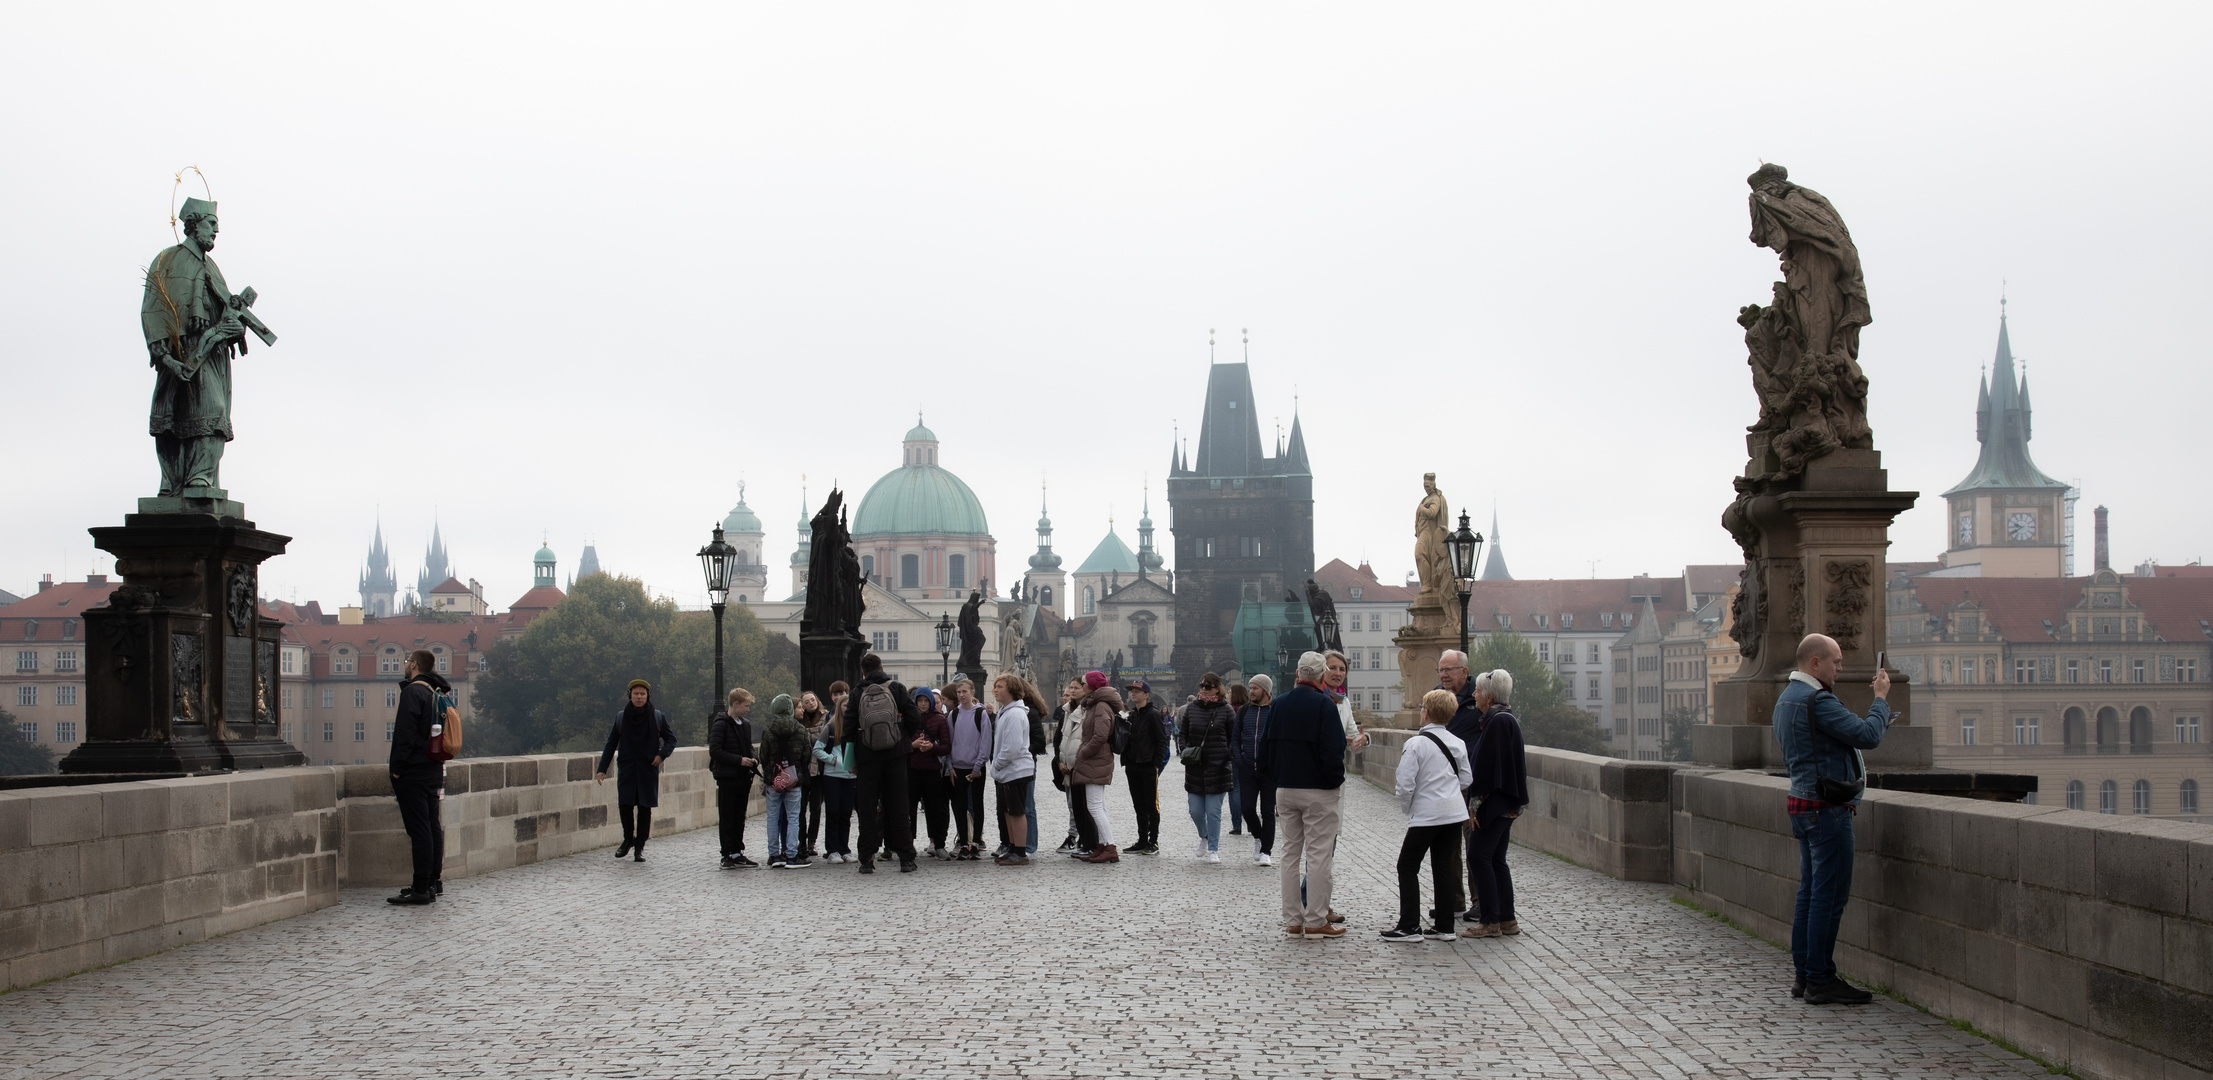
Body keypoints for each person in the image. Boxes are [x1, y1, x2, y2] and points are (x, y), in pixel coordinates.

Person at [1776, 632, 1890, 1006]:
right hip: (1827, 812)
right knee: (1829, 897)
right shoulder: (1816, 700)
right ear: (1815, 663)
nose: (1841, 667)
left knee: (1810, 894)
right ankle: (1821, 980)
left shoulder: (1786, 699)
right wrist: (1880, 700)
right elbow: (1868, 735)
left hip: (1802, 804)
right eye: (1836, 661)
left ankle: (1803, 976)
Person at [1258, 653, 1345, 938]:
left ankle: (1293, 920)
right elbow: (1333, 751)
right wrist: (1334, 782)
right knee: (1319, 855)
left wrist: (1277, 778)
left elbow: (1264, 748)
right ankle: (1317, 920)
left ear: (1297, 673)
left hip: (1285, 789)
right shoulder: (1324, 705)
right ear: (1321, 677)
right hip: (1318, 789)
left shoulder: (1279, 703)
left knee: (1289, 854)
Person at [1382, 689, 1475, 942]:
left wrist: (1408, 807)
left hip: (1426, 815)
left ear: (1426, 712)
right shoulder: (1458, 743)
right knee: (1443, 866)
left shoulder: (1416, 744)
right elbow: (1466, 778)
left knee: (1407, 866)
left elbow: (1405, 784)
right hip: (1454, 813)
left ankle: (1410, 925)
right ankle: (1445, 926)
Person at [841, 654, 925, 874]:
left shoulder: (857, 692)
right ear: (882, 667)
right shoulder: (896, 688)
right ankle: (906, 858)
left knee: (867, 810)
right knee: (899, 807)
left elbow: (847, 729)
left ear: (863, 671)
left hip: (867, 758)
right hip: (895, 756)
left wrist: (851, 760)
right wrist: (901, 737)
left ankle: (867, 860)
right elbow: (915, 717)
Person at [1462, 670, 1528, 940]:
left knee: (1478, 857)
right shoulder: (1505, 718)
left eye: (1477, 691)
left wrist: (1474, 805)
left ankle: (1490, 921)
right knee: (1497, 860)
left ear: (1488, 696)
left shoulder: (1497, 722)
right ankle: (1507, 919)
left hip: (1493, 804)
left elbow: (1488, 770)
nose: (1474, 695)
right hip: (1505, 803)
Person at [385, 649, 450, 905]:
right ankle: (433, 882)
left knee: (420, 830)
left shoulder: (413, 692)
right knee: (432, 827)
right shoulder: (436, 692)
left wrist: (397, 768)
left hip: (413, 769)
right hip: (433, 767)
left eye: (406, 662)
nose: (405, 665)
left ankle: (421, 888)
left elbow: (405, 734)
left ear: (413, 664)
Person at [596, 679, 677, 862]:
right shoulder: (621, 717)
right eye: (636, 694)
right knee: (625, 805)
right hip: (627, 767)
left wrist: (661, 755)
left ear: (647, 696)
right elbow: (611, 745)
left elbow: (671, 740)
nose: (639, 697)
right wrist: (602, 769)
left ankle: (639, 846)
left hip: (648, 768)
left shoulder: (657, 717)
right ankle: (627, 839)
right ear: (630, 696)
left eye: (642, 694)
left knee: (644, 808)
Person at [1435, 650, 1483, 920]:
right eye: (1441, 670)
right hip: (1443, 785)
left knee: (1473, 845)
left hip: (1471, 784)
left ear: (1464, 671)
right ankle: (1453, 900)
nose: (1444, 675)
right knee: (1448, 847)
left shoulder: (1479, 697)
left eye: (1449, 670)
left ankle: (1479, 901)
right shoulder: (1436, 696)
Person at [1176, 672, 1235, 862]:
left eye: (1207, 686)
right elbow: (1182, 732)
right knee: (1195, 811)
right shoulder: (1192, 709)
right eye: (1202, 685)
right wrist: (1185, 749)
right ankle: (1205, 836)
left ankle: (1213, 849)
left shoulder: (1226, 710)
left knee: (1213, 811)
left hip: (1218, 767)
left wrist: (1227, 755)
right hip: (1195, 766)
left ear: (1218, 688)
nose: (1203, 688)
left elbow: (1233, 737)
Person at [989, 674, 1044, 866]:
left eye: (1000, 686)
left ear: (1011, 690)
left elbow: (1011, 748)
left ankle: (1020, 852)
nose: (995, 690)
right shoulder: (1007, 711)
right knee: (1008, 811)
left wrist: (996, 765)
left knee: (1017, 811)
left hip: (1015, 770)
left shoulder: (1015, 714)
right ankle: (1012, 847)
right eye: (995, 686)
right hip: (1008, 771)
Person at [1070, 670, 1122, 863]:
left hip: (1095, 761)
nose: (1082, 686)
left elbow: (1100, 736)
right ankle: (1103, 844)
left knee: (1094, 807)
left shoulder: (1100, 706)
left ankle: (1109, 846)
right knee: (1098, 806)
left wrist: (1083, 753)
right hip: (1095, 760)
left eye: (1083, 683)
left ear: (1092, 686)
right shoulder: (1096, 704)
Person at [707, 687, 761, 869]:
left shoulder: (745, 724)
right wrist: (739, 760)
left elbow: (749, 747)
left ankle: (737, 851)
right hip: (727, 777)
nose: (747, 709)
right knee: (727, 816)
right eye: (745, 705)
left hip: (743, 778)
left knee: (739, 816)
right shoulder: (721, 724)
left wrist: (754, 757)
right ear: (735, 704)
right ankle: (727, 853)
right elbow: (715, 751)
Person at [759, 694, 814, 868]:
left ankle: (774, 855)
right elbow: (806, 754)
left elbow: (763, 756)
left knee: (773, 818)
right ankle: (791, 855)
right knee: (793, 817)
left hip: (773, 780)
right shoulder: (799, 729)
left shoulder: (768, 730)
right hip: (793, 779)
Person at [943, 675, 994, 859]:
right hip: (957, 766)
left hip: (975, 767)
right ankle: (963, 842)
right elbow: (949, 741)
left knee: (977, 804)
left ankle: (975, 842)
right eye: (959, 692)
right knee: (959, 806)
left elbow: (985, 742)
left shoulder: (980, 714)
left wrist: (978, 765)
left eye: (965, 691)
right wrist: (950, 766)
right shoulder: (954, 715)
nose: (962, 695)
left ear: (972, 692)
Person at [1230, 675, 1276, 866]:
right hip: (1247, 768)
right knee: (1247, 809)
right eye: (1250, 688)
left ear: (1265, 690)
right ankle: (1258, 836)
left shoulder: (1275, 710)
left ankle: (1266, 851)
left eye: (1255, 688)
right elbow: (1235, 739)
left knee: (1268, 811)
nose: (1252, 692)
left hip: (1269, 770)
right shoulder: (1244, 711)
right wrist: (1240, 761)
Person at [813, 681, 858, 864]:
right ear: (840, 707)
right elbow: (817, 749)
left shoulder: (856, 728)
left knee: (846, 813)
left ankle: (844, 848)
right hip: (833, 776)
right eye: (845, 705)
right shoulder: (831, 728)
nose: (848, 708)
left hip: (850, 776)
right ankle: (832, 850)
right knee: (833, 812)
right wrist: (833, 760)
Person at [907, 687, 954, 859]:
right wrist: (913, 746)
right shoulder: (910, 718)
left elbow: (946, 747)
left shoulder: (939, 720)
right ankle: (908, 843)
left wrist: (932, 747)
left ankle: (939, 844)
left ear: (931, 702)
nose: (923, 704)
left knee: (935, 809)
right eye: (920, 701)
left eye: (926, 701)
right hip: (912, 770)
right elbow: (902, 744)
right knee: (909, 809)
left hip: (932, 770)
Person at [1120, 679, 1166, 856]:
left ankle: (1153, 841)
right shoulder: (1131, 715)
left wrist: (1156, 763)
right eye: (1132, 691)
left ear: (1146, 694)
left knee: (1151, 806)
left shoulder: (1153, 714)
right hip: (1132, 765)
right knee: (1138, 805)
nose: (1133, 694)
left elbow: (1162, 741)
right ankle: (1141, 840)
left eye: (1137, 691)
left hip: (1147, 765)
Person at [1050, 678, 1091, 855]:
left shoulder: (1089, 710)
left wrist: (1075, 763)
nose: (1072, 691)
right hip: (1065, 765)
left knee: (1084, 805)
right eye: (1070, 688)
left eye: (1076, 688)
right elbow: (1058, 739)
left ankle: (1080, 837)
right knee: (1071, 804)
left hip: (1081, 766)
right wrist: (1060, 761)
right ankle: (1075, 836)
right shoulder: (1066, 711)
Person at [796, 691, 831, 858]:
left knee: (815, 808)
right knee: (800, 808)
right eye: (807, 702)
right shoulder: (799, 720)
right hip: (803, 769)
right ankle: (801, 841)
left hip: (819, 769)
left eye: (812, 700)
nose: (811, 703)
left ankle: (811, 841)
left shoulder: (826, 717)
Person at [1226, 682, 1249, 836]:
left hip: (1233, 753)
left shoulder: (1229, 711)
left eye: (1229, 692)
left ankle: (1237, 825)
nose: (1227, 694)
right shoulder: (1250, 710)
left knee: (1234, 789)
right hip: (1248, 753)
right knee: (1248, 790)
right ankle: (1251, 823)